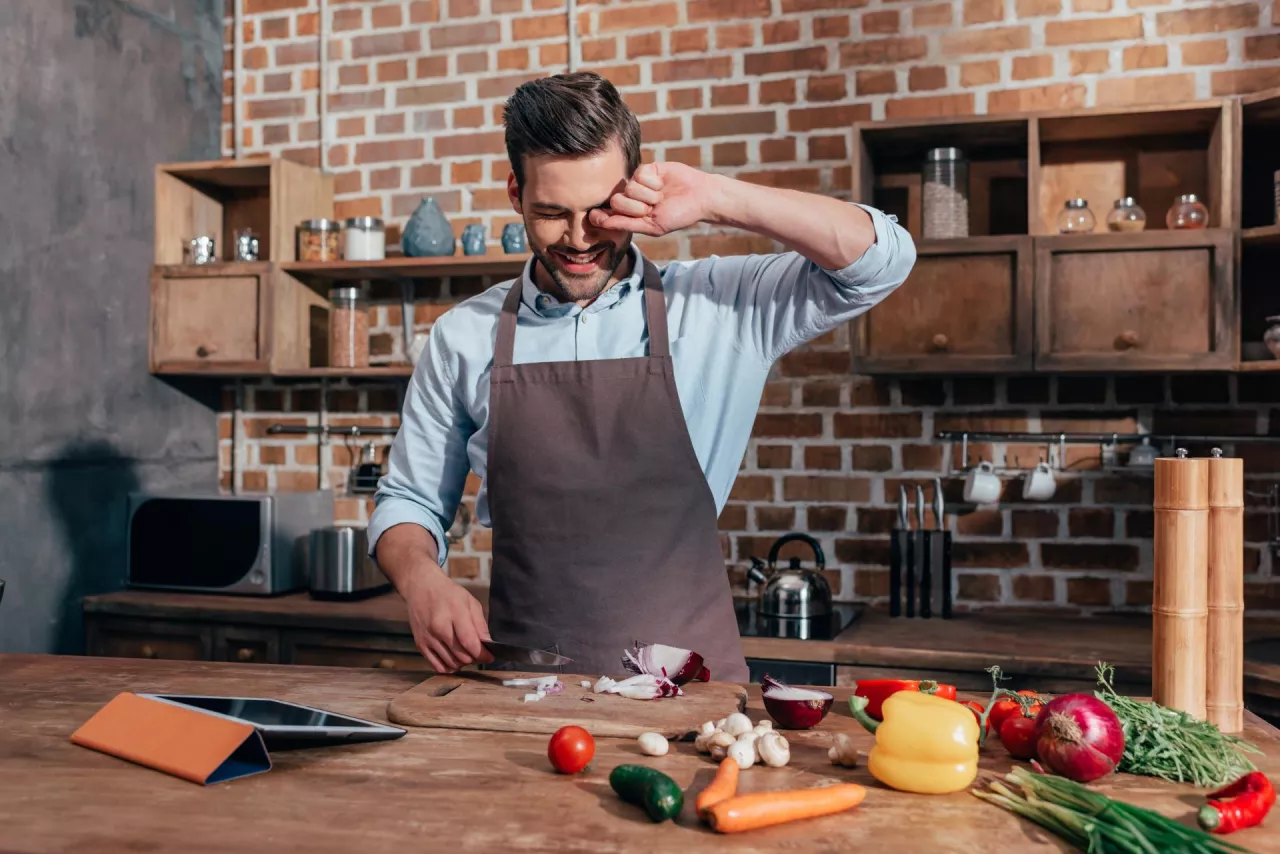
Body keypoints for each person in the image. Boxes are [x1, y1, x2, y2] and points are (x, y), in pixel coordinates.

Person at [370, 71, 915, 682]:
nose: (580, 240)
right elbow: (409, 501)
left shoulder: (718, 307)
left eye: (602, 209)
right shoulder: (462, 337)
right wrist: (421, 579)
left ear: (633, 189)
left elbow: (882, 260)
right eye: (552, 213)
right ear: (514, 194)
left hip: (691, 704)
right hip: (525, 699)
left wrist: (713, 196)